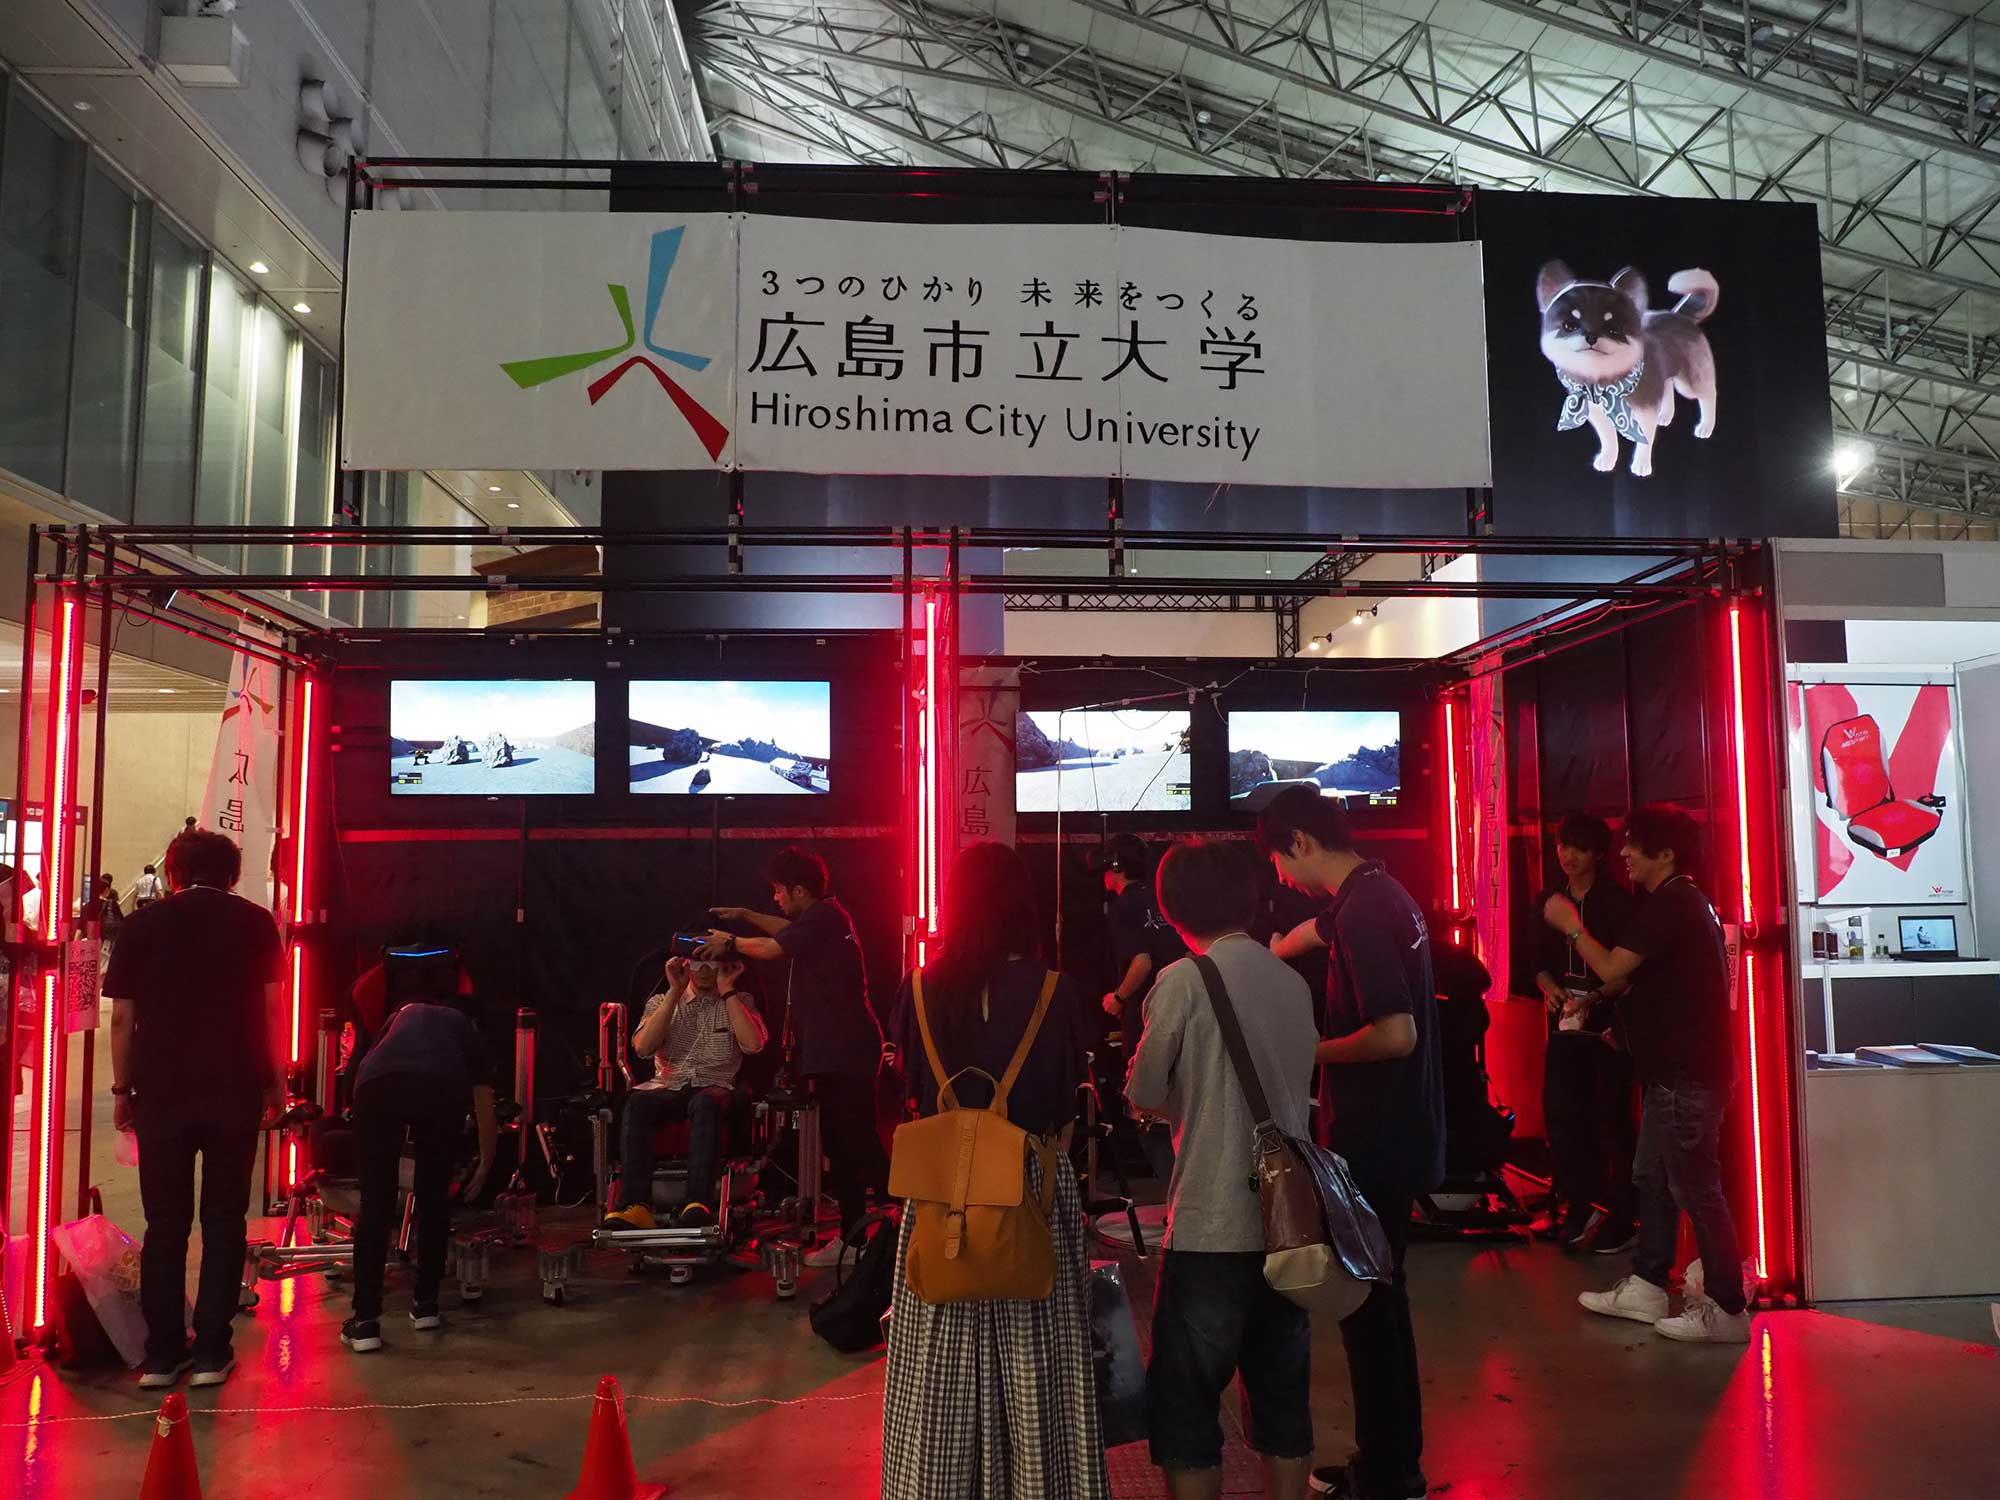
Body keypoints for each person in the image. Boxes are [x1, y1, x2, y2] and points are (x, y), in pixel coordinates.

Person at [881, 840, 1103, 1499]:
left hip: (943, 1195)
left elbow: (908, 1093)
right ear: (1021, 905)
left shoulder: (918, 988)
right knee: (1040, 1358)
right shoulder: (1056, 992)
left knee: (939, 1359)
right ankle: (1037, 1483)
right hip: (1032, 1188)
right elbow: (1066, 1110)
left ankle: (939, 1484)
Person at [1126, 837, 1319, 1500]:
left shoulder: (1183, 980)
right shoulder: (1291, 981)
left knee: (1187, 1405)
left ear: (1172, 907)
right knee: (1282, 1395)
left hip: (1209, 1224)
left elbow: (1145, 1089)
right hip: (1288, 1225)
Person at [1262, 787, 1440, 1500]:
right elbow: (1317, 930)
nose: (1282, 878)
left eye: (1279, 862)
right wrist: (1276, 951)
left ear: (1301, 843)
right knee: (1380, 1303)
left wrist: (1307, 1052)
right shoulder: (1378, 891)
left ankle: (1389, 1473)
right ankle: (1391, 1461)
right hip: (1400, 1131)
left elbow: (1396, 1034)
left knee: (1369, 1309)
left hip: (1377, 1140)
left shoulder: (1364, 911)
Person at [1548, 805, 1751, 1344]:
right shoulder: (1676, 902)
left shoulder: (1675, 902)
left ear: (1666, 854)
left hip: (1689, 1076)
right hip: (1672, 1073)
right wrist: (1609, 1006)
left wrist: (1571, 925)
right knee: (1652, 1177)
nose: (1624, 854)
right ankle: (1646, 1284)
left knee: (1695, 1187)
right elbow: (1640, 980)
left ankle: (1727, 1307)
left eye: (1634, 845)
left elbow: (1614, 965)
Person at [105, 830, 284, 1389]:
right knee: (225, 1219)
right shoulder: (256, 923)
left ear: (173, 873)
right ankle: (210, 1352)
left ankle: (161, 1356)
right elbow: (273, 1012)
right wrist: (276, 1083)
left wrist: (122, 1090)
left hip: (161, 1093)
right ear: (232, 875)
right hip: (235, 1088)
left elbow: (122, 1019)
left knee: (165, 1224)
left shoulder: (141, 925)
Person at [706, 846, 888, 1268]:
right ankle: (862, 1236)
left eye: (779, 890)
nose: (775, 898)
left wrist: (730, 942)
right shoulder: (824, 917)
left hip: (845, 1052)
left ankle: (864, 1237)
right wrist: (745, 915)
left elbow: (773, 948)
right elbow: (786, 930)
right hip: (842, 1051)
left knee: (852, 1147)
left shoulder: (825, 918)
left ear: (799, 890)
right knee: (849, 1145)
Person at [340, 946, 499, 1353]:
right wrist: (486, 1163)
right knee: (433, 1199)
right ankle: (426, 1305)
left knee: (376, 1204)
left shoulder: (396, 1018)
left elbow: (363, 1069)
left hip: (375, 1086)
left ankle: (365, 1321)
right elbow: (484, 1102)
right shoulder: (463, 1026)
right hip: (440, 1087)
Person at [1532, 812, 1639, 1253]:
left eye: (1578, 848)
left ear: (1598, 853)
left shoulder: (1618, 903)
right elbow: (1535, 960)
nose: (1568, 856)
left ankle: (1623, 1212)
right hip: (1564, 1026)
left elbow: (1626, 973)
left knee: (1612, 1120)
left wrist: (1592, 998)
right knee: (1562, 1116)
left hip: (1608, 1026)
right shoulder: (1549, 900)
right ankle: (1578, 1204)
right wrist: (1550, 988)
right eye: (1563, 846)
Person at [600, 951, 767, 1231]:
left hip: (716, 1085)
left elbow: (754, 1045)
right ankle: (634, 1205)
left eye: (710, 964)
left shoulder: (740, 1000)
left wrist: (728, 991)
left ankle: (697, 1203)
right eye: (697, 964)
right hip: (671, 1084)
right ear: (685, 964)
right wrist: (674, 992)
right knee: (637, 1102)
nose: (704, 971)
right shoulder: (660, 1001)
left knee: (705, 1103)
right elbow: (643, 1048)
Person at [1095, 832, 1189, 1181]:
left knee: (1146, 1109)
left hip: (1148, 1020)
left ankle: (1171, 1194)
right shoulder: (1164, 897)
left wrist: (1117, 999)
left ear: (1116, 867)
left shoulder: (1124, 907)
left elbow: (1142, 961)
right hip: (1185, 1011)